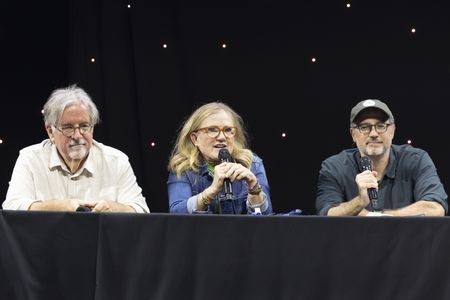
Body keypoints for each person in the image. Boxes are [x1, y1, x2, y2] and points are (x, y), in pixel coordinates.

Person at [2, 85, 149, 213]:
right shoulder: (30, 159)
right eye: (68, 127)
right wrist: (58, 207)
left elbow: (141, 210)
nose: (78, 135)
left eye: (84, 126)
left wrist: (112, 208)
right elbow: (11, 207)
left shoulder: (117, 161)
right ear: (50, 131)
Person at [316, 99, 447, 216]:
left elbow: (435, 208)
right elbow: (327, 213)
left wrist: (377, 217)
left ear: (393, 130)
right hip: (353, 242)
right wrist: (360, 202)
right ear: (353, 134)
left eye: (381, 126)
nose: (373, 133)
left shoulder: (416, 160)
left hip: (406, 242)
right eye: (364, 127)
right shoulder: (334, 166)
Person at [167, 102, 272, 214]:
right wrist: (211, 191)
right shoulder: (183, 168)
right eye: (212, 130)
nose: (222, 137)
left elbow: (265, 219)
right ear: (195, 139)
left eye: (227, 130)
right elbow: (176, 214)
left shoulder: (252, 164)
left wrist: (253, 187)